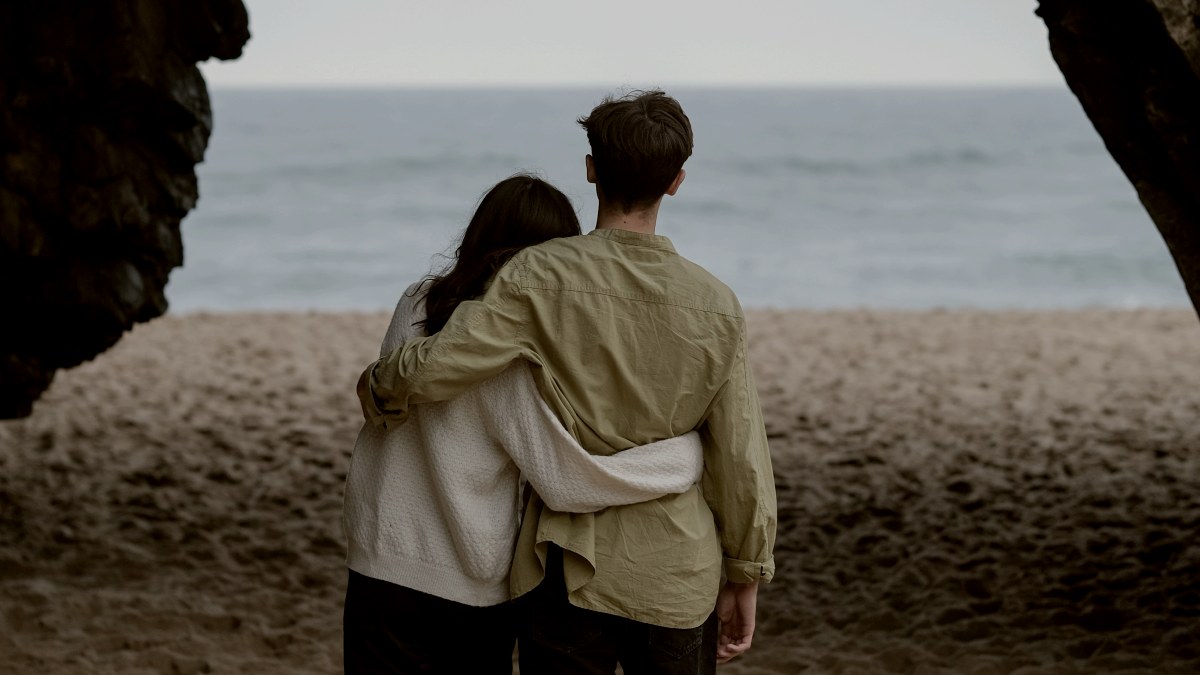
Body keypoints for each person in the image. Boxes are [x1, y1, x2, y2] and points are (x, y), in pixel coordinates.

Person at [359, 91, 777, 674]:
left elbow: (438, 367)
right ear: (677, 181)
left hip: (567, 570)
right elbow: (741, 456)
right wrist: (747, 570)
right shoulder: (717, 304)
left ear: (590, 169)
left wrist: (380, 387)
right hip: (676, 571)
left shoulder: (539, 274)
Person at [342, 174, 706, 674]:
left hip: (376, 567)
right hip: (466, 592)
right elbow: (566, 480)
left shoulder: (417, 302)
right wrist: (682, 458)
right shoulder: (511, 353)